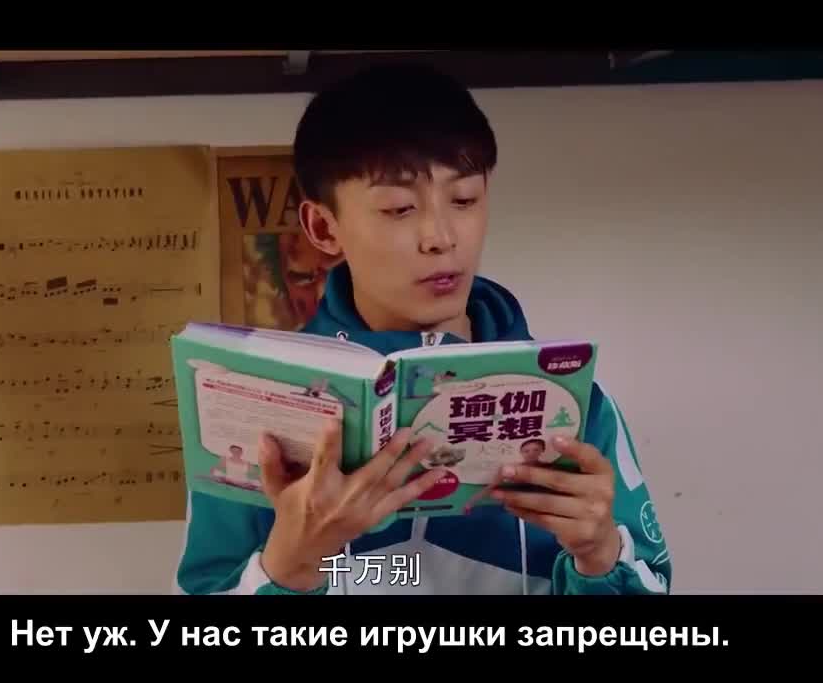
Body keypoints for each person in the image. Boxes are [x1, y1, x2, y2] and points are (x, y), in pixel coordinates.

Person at [173, 63, 671, 595]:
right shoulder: (255, 407)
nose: (440, 237)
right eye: (399, 209)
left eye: (464, 200)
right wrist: (291, 568)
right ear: (323, 227)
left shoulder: (576, 403)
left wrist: (600, 556)